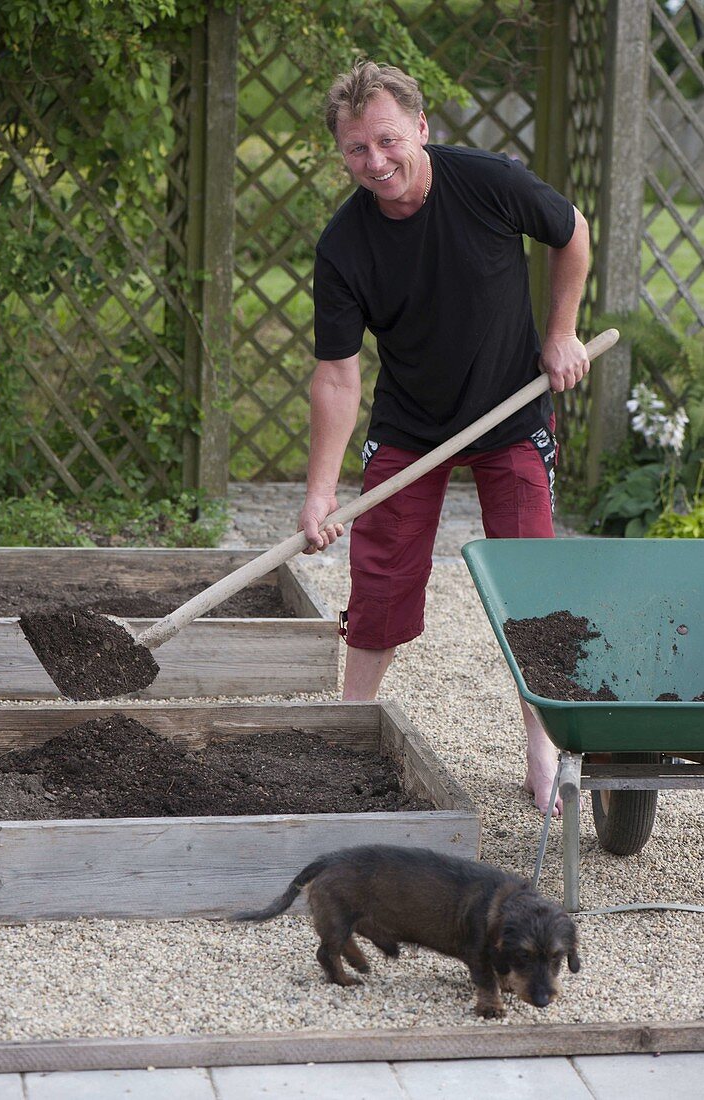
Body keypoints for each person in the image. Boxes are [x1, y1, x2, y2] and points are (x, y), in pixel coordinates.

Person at [297, 61, 590, 818]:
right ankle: (350, 728)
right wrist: (321, 494)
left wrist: (560, 333)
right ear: (342, 152)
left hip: (511, 414)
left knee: (530, 587)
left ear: (421, 129)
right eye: (357, 149)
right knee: (382, 578)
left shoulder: (488, 182)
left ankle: (542, 744)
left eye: (388, 140)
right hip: (412, 426)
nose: (376, 162)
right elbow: (336, 375)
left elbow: (572, 232)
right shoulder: (345, 246)